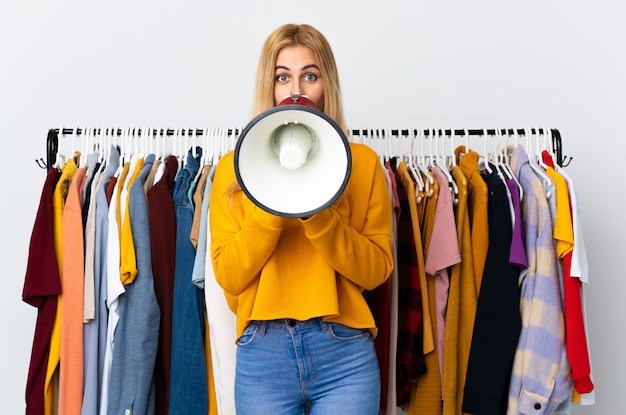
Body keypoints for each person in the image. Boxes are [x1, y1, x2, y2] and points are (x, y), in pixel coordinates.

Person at [209, 23, 394, 414]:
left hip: (344, 352)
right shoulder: (234, 170)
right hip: (263, 357)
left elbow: (376, 271)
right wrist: (272, 204)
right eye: (282, 77)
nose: (296, 90)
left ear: (327, 84)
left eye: (309, 75)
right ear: (269, 87)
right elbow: (229, 274)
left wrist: (320, 217)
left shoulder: (361, 164)